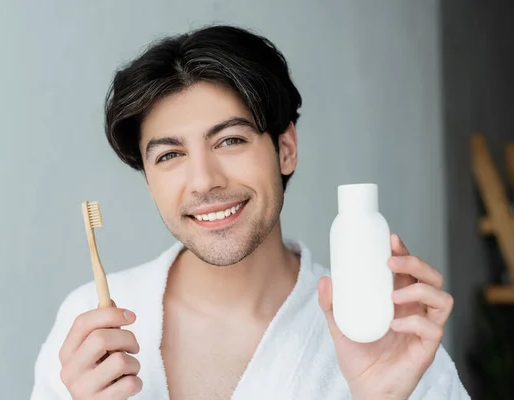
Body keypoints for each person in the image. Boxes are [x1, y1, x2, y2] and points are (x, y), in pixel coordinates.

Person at [30, 25, 470, 399]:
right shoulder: (89, 327)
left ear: (286, 149)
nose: (204, 181)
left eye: (230, 141)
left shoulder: (387, 338)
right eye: (169, 156)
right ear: (148, 176)